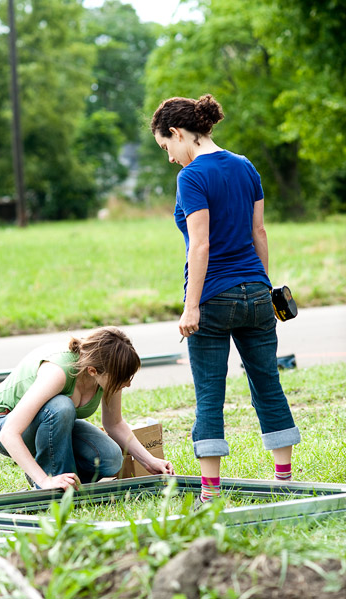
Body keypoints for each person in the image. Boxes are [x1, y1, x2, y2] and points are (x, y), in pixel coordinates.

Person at [150, 94, 301, 504]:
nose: (170, 158)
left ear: (179, 134)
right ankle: (285, 479)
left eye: (167, 147)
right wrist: (264, 288)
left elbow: (199, 246)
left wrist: (191, 306)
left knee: (210, 394)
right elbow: (259, 234)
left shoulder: (191, 178)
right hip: (256, 293)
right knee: (267, 382)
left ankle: (210, 493)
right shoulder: (245, 166)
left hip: (213, 298)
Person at [0, 327, 175, 490]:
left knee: (111, 459)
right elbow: (8, 433)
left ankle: (54, 474)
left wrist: (150, 461)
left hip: (50, 424)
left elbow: (114, 424)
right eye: (122, 379)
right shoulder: (58, 372)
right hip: (4, 425)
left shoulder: (108, 370)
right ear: (92, 371)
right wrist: (44, 480)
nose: (127, 385)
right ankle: (50, 483)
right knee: (62, 406)